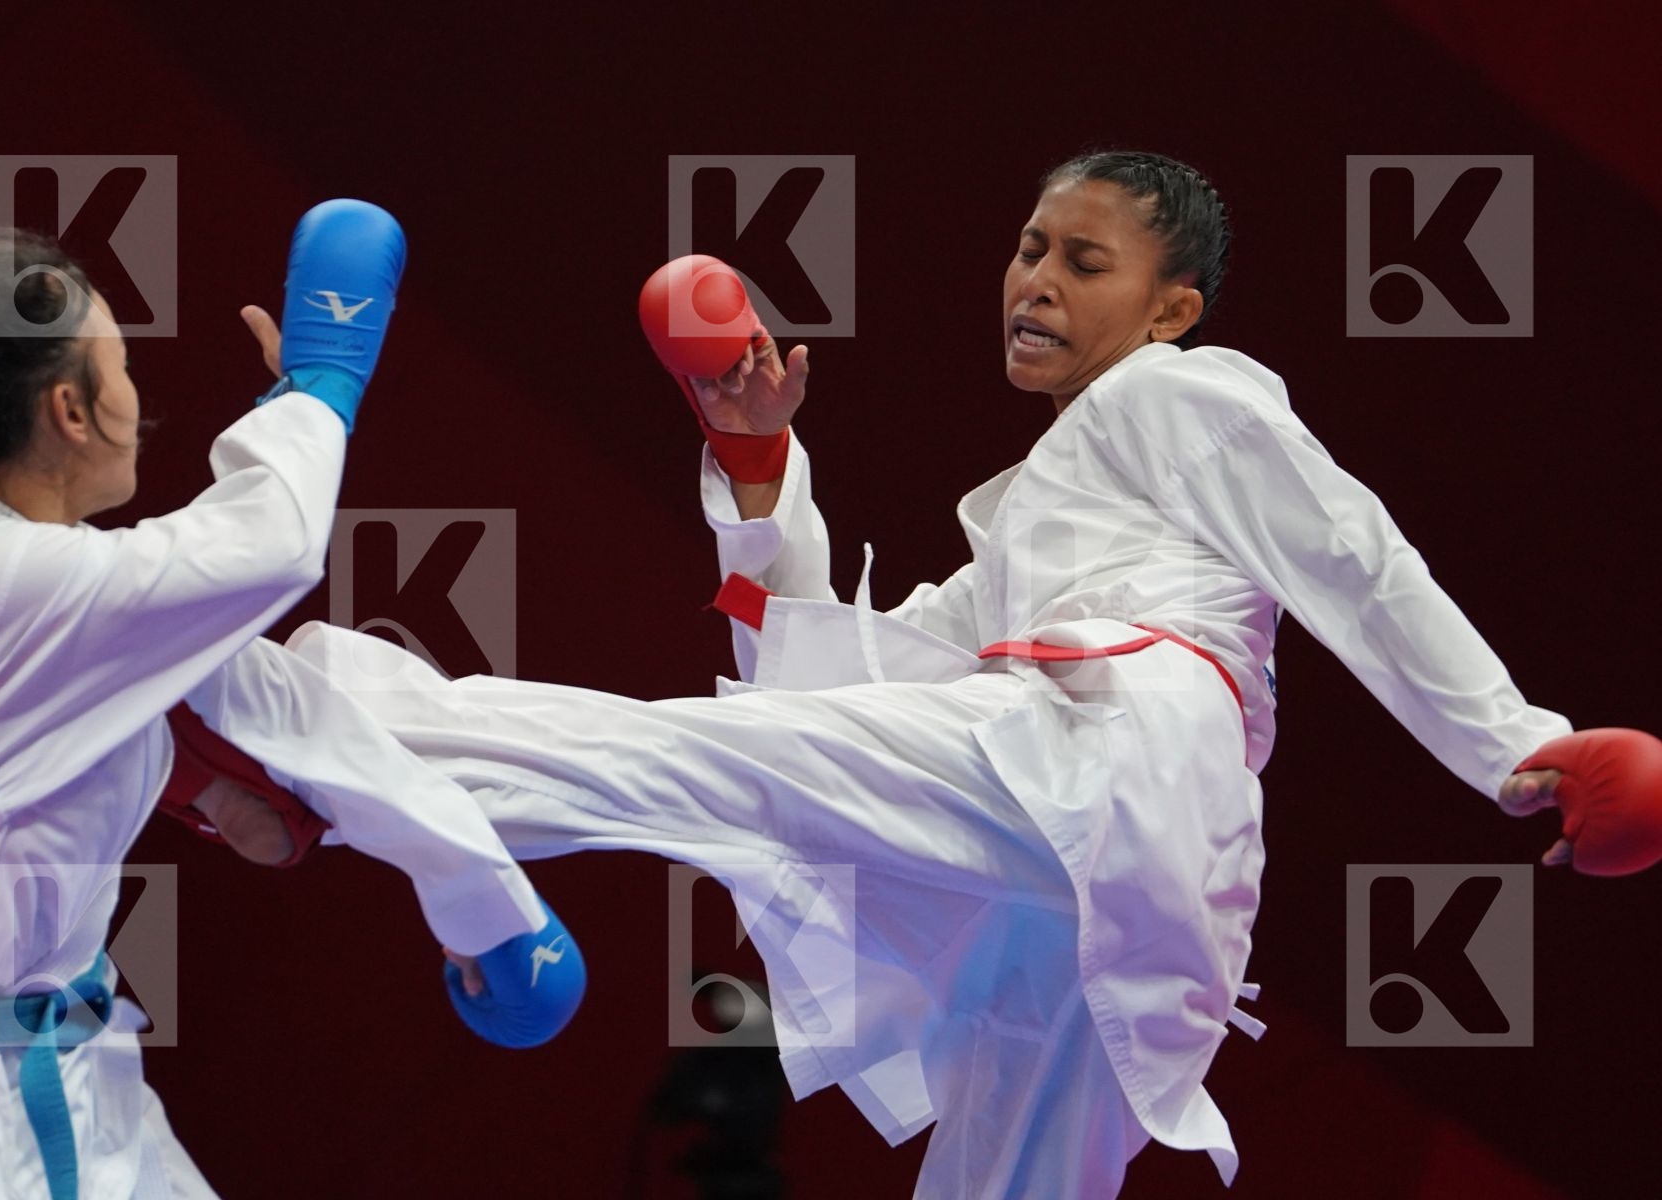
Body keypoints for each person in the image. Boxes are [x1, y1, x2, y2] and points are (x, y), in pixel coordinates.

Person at [165, 151, 1586, 1198]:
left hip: (1101, 769)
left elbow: (1353, 551)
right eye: (1031, 244)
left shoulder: (1181, 392)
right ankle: (304, 769)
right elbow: (828, 673)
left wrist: (1520, 742)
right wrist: (758, 465)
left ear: (1171, 311)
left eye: (1084, 262)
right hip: (1125, 873)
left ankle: (278, 739)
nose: (1036, 276)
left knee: (685, 765)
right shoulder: (1041, 516)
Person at [0, 203, 494, 1199]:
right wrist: (323, 376)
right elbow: (262, 548)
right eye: (117, 363)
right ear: (69, 412)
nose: (136, 393)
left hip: (75, 1073)